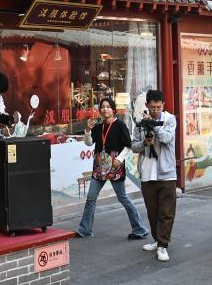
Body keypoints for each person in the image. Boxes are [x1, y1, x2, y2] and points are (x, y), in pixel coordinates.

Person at [74, 98, 150, 241]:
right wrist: (88, 130)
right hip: (99, 168)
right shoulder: (98, 127)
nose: (105, 109)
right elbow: (89, 143)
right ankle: (85, 229)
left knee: (123, 198)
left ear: (113, 110)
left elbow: (128, 146)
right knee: (91, 198)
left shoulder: (120, 125)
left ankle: (139, 229)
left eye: (108, 107)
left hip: (115, 168)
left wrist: (119, 159)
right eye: (102, 107)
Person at [137, 90, 177, 262]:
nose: (155, 110)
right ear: (146, 105)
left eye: (158, 107)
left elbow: (167, 138)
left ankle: (163, 245)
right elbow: (133, 145)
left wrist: (154, 125)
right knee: (152, 211)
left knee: (166, 212)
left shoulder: (170, 119)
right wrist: (144, 143)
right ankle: (157, 239)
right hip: (147, 172)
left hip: (166, 173)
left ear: (163, 105)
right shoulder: (140, 121)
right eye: (152, 107)